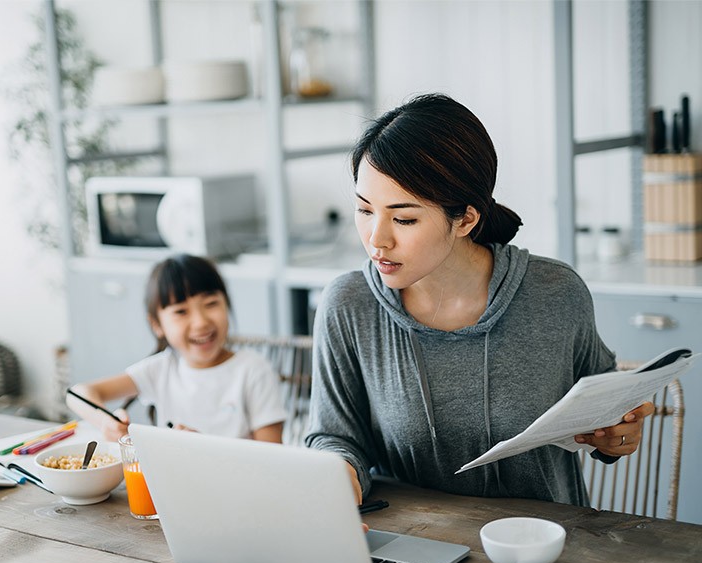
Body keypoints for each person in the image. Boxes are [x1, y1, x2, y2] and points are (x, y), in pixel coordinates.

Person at [305, 93, 654, 508]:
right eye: (365, 210)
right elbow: (334, 437)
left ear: (466, 219)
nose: (376, 239)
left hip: (545, 543)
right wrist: (336, 478)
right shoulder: (349, 304)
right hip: (412, 542)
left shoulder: (555, 293)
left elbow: (605, 415)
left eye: (404, 218)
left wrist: (617, 437)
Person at [67, 254, 286, 443]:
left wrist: (205, 451)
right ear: (157, 325)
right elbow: (78, 394)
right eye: (181, 311)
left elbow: (272, 459)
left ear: (226, 304)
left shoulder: (253, 370)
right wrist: (106, 422)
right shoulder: (161, 369)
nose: (200, 322)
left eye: (211, 304)